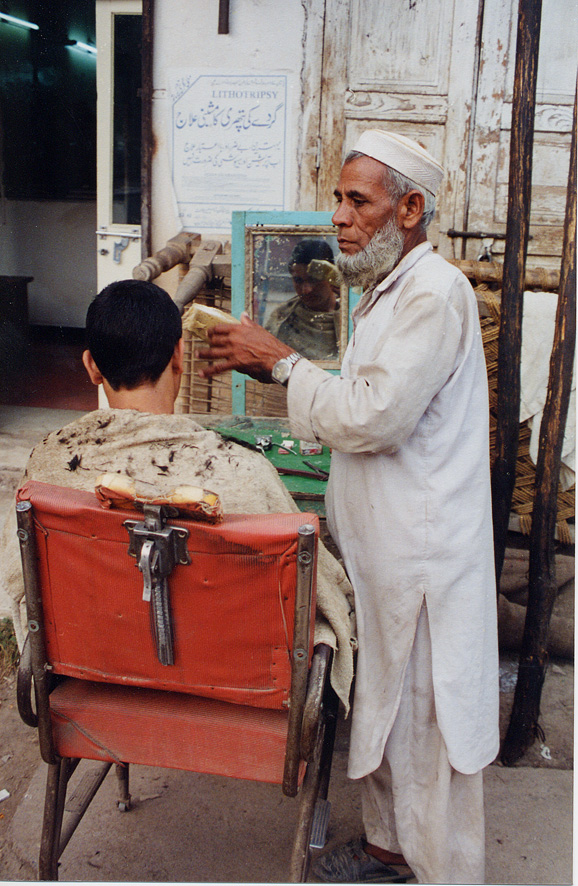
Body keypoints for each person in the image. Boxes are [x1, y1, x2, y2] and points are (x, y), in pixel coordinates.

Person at [197, 129, 500, 884]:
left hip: (424, 560)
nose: (338, 215)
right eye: (338, 198)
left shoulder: (437, 293)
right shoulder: (387, 294)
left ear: (410, 208)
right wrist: (283, 371)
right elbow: (357, 404)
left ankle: (439, 873)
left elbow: (373, 416)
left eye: (357, 201)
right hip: (384, 553)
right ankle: (390, 854)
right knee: (391, 721)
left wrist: (281, 362)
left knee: (429, 734)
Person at [0, 279, 355, 712]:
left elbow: (20, 582)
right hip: (239, 691)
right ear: (178, 356)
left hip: (98, 677)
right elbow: (320, 589)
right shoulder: (243, 474)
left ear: (91, 366)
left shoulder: (48, 467)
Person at [264, 239, 340, 360]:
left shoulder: (351, 315)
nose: (306, 290)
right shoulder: (282, 317)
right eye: (298, 281)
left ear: (330, 276)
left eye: (314, 280)